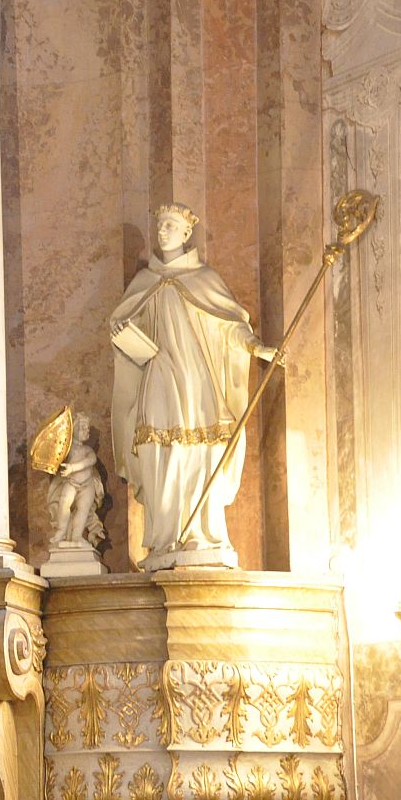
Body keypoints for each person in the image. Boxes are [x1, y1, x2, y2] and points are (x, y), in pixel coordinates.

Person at [108, 203, 277, 570]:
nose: (163, 231)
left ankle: (202, 532)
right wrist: (120, 331)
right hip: (158, 373)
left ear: (187, 234)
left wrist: (256, 346)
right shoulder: (143, 282)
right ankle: (164, 536)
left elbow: (230, 324)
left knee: (202, 451)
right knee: (155, 448)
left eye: (171, 225)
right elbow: (122, 326)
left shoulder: (205, 278)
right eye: (160, 225)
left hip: (197, 377)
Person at [46, 413, 104, 549]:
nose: (86, 430)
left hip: (87, 486)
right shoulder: (66, 450)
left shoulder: (88, 450)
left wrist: (72, 467)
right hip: (70, 483)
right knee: (64, 504)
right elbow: (57, 461)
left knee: (83, 511)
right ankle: (61, 532)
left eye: (87, 428)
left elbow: (90, 461)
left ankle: (77, 536)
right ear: (73, 430)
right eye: (83, 427)